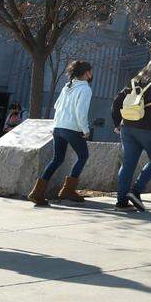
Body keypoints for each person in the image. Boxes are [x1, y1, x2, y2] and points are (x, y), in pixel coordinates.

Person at [27, 60, 93, 206]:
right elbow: (81, 112)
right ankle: (68, 190)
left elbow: (57, 106)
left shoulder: (67, 87)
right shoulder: (85, 89)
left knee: (57, 159)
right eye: (90, 71)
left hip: (58, 127)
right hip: (72, 128)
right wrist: (86, 130)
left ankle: (37, 193)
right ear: (87, 72)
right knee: (83, 156)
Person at [111, 59, 151, 211]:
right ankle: (136, 190)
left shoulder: (134, 82)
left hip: (127, 127)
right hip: (150, 129)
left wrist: (117, 123)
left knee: (127, 164)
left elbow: (116, 103)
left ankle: (121, 202)